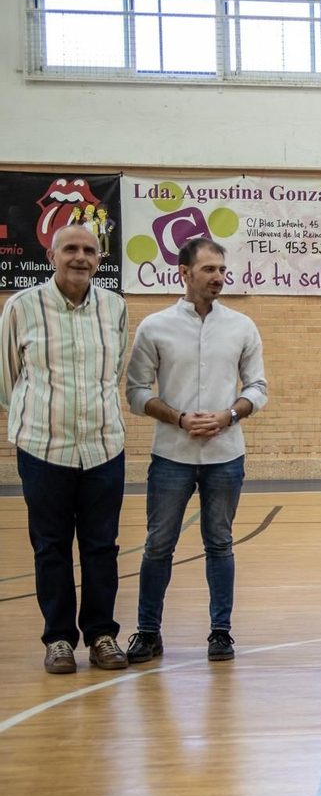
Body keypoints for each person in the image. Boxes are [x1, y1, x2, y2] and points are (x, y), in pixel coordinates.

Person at [124, 237, 269, 665]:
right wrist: (179, 418)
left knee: (220, 544)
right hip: (171, 455)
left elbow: (258, 388)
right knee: (158, 546)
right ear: (183, 273)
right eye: (209, 270)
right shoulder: (154, 327)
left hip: (226, 455)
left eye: (222, 270)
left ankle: (220, 633)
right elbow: (135, 392)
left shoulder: (242, 327)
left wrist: (229, 415)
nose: (218, 278)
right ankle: (148, 633)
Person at [0, 222, 129, 674]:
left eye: (89, 250)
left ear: (99, 259)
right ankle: (58, 639)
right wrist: (38, 418)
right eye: (70, 248)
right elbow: (8, 381)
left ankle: (101, 635)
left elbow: (113, 373)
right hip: (43, 448)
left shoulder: (114, 307)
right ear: (51, 255)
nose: (80, 256)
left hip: (103, 448)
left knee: (101, 547)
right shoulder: (21, 307)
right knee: (50, 547)